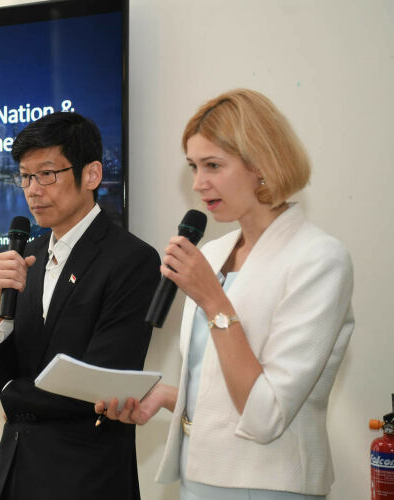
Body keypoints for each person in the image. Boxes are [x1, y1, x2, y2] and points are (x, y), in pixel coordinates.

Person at [95, 89, 354, 499]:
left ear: (262, 164)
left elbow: (266, 414)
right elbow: (223, 384)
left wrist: (213, 300)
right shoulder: (214, 253)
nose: (199, 184)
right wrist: (168, 397)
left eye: (213, 165)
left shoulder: (318, 259)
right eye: (193, 167)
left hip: (268, 485)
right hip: (197, 477)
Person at [0, 111, 161, 500]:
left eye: (47, 174)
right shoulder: (27, 256)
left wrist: (12, 395)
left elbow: (97, 384)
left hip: (87, 478)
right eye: (25, 177)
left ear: (91, 175)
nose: (33, 190)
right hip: (16, 474)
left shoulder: (132, 260)